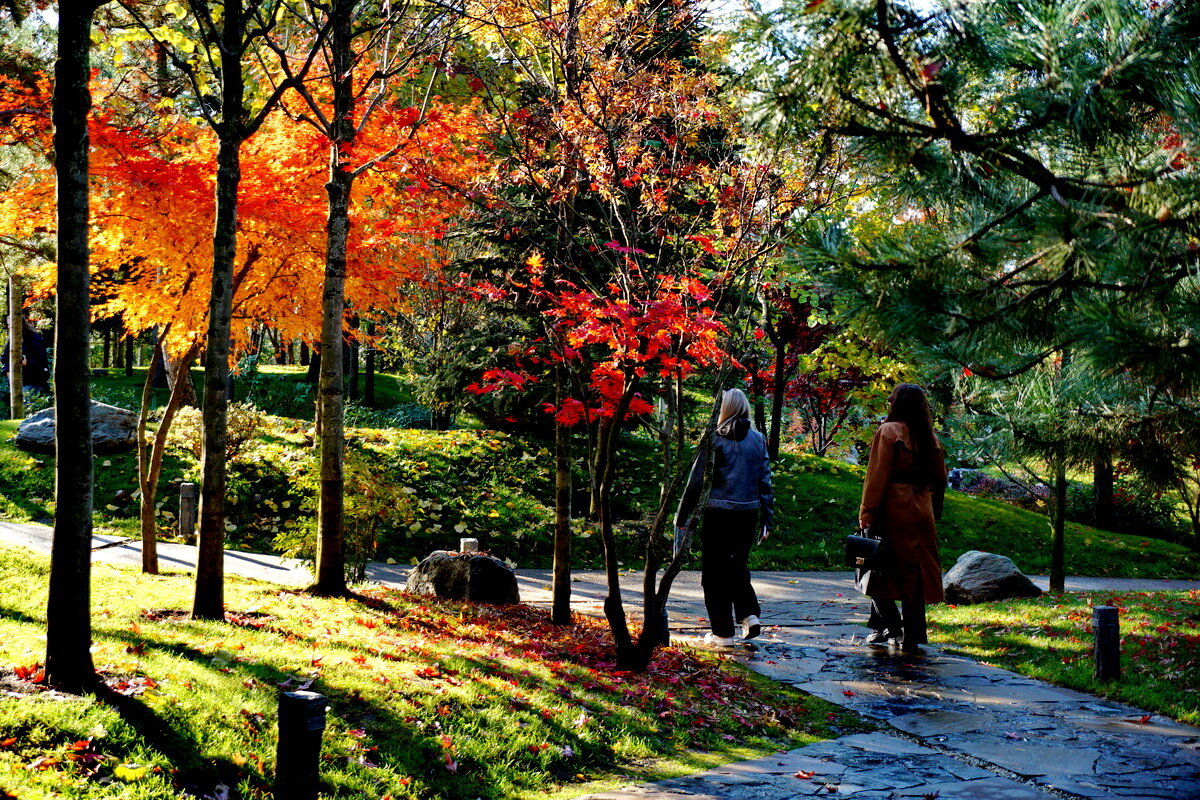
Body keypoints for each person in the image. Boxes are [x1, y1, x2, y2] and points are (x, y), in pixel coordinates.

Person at [675, 388, 774, 648]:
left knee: (713, 574)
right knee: (737, 566)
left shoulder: (714, 439)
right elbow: (765, 481)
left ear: (724, 408)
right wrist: (767, 519)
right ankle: (749, 614)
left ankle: (722, 634)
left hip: (718, 512)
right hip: (748, 512)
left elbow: (695, 481)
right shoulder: (758, 439)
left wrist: (682, 516)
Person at [858, 383, 947, 653]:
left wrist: (867, 511)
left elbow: (877, 475)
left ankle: (892, 628)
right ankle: (912, 635)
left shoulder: (888, 431)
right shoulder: (929, 437)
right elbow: (941, 478)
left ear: (898, 403)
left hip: (893, 509)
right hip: (922, 509)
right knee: (915, 575)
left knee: (875, 571)